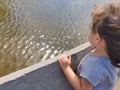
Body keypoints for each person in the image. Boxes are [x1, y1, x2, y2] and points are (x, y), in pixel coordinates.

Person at [57, 1, 120, 90]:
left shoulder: (92, 66)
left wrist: (66, 68)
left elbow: (82, 89)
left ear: (97, 39)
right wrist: (97, 47)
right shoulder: (113, 56)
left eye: (91, 30)